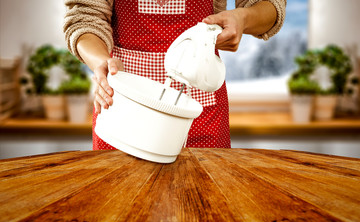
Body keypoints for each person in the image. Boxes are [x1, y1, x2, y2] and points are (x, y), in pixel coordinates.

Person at [64, 0, 286, 150]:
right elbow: (85, 16)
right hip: (123, 111)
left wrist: (244, 17)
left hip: (202, 117)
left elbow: (269, 5)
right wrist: (101, 62)